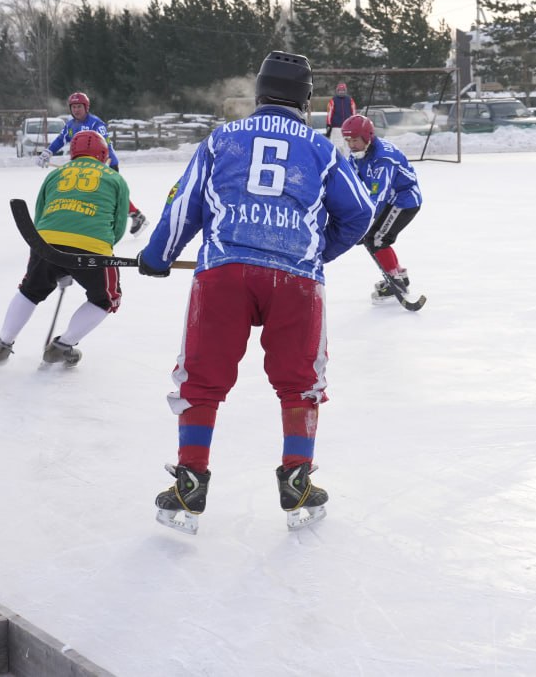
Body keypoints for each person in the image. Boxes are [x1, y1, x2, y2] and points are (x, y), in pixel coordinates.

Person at [138, 51, 375, 534]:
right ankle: (297, 484)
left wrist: (158, 255)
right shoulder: (321, 149)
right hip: (296, 282)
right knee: (300, 382)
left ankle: (189, 485)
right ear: (305, 99)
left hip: (224, 272)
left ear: (260, 92)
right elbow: (361, 214)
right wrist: (313, 252)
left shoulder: (221, 138)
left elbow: (184, 206)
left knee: (202, 380)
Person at [0, 130, 130, 368]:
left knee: (30, 290)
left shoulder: (55, 175)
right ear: (103, 154)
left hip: (45, 244)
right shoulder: (115, 178)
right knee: (107, 299)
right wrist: (89, 253)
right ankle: (63, 346)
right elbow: (119, 226)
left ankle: (2, 343)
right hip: (93, 247)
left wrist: (59, 261)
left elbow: (40, 215)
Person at [38, 91, 149, 235]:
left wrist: (104, 165)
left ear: (86, 107)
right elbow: (61, 140)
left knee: (109, 194)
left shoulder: (96, 123)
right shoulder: (70, 125)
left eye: (79, 106)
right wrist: (48, 152)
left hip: (106, 163)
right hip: (85, 164)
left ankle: (136, 215)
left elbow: (107, 145)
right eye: (73, 107)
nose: (76, 110)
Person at [340, 114, 423, 302]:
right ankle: (398, 275)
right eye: (348, 141)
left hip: (404, 200)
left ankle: (394, 281)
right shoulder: (358, 155)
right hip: (390, 201)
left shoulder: (383, 158)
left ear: (367, 137)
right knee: (374, 237)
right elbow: (353, 184)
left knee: (377, 238)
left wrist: (363, 223)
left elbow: (379, 195)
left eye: (355, 140)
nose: (352, 145)